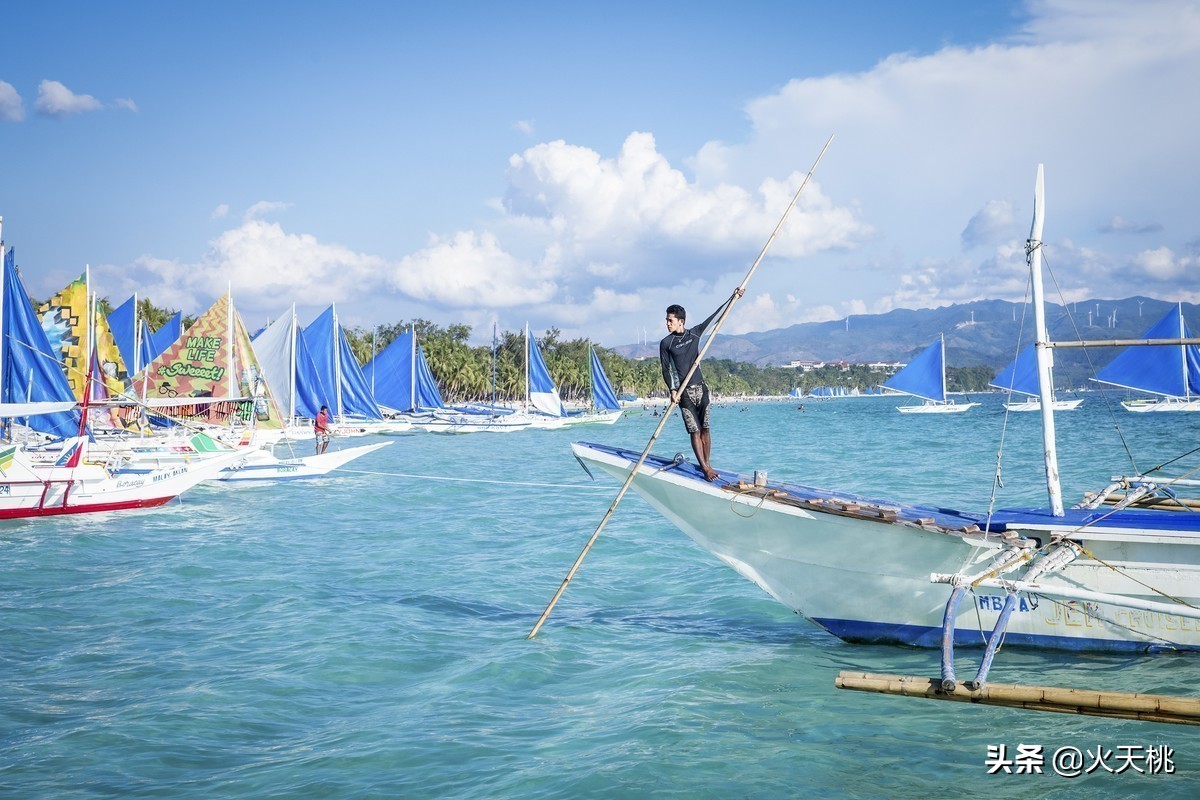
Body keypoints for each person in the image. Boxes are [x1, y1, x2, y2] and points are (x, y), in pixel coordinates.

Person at [659, 289, 744, 481]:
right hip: (684, 393)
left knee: (705, 428)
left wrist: (734, 297)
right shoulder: (666, 343)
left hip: (701, 389)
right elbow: (665, 369)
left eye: (670, 320)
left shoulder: (695, 333)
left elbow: (715, 316)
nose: (667, 323)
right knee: (694, 431)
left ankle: (707, 464)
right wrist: (672, 390)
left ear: (681, 321)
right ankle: (705, 469)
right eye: (667, 320)